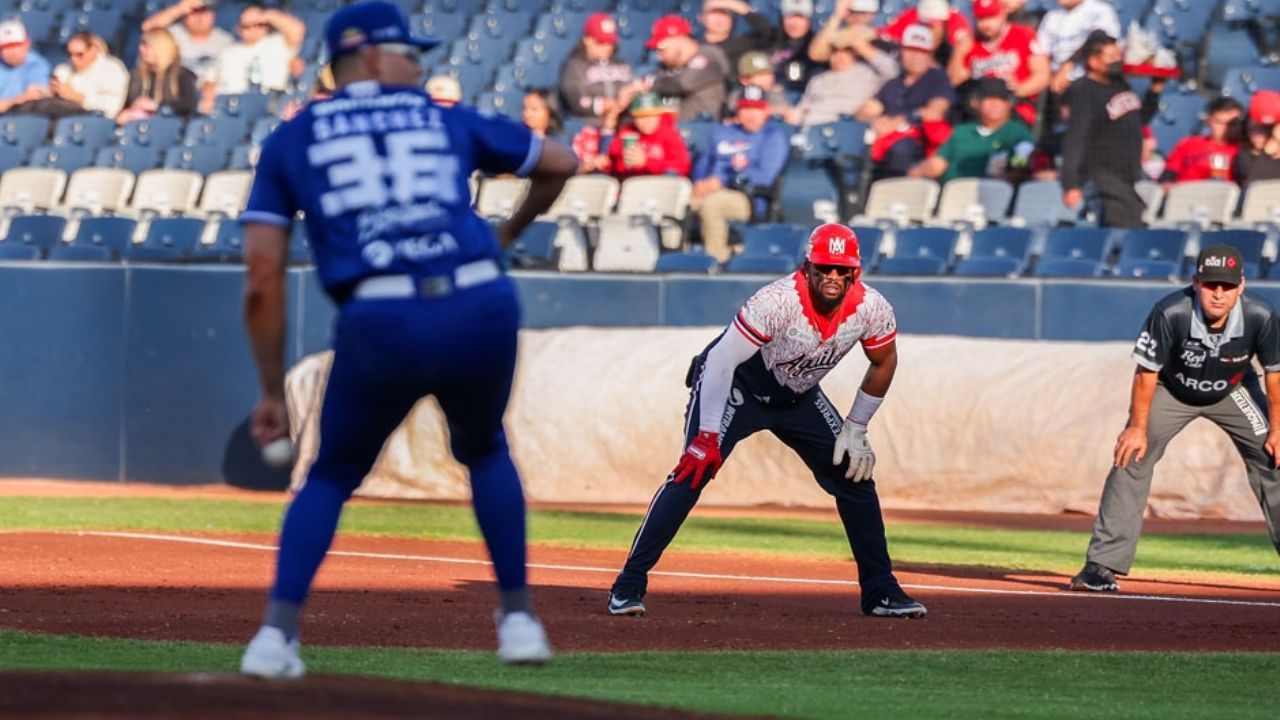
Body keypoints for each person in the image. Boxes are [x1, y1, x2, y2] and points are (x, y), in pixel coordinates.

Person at [237, 0, 578, 678]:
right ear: (367, 56)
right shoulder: (443, 116)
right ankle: (518, 621)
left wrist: (272, 392)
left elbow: (261, 278)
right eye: (408, 53)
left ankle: (274, 638)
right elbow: (561, 161)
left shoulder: (291, 138)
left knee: (331, 474)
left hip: (381, 316)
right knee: (485, 450)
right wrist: (507, 233)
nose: (420, 66)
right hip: (478, 303)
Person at [608, 223, 927, 620]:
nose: (832, 276)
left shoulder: (873, 308)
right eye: (824, 267)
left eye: (842, 269)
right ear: (807, 267)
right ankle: (628, 584)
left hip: (798, 396)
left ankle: (881, 591)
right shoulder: (776, 301)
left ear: (855, 272)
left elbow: (885, 361)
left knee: (854, 477)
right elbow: (721, 360)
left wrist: (857, 425)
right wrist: (706, 434)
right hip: (737, 386)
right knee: (694, 469)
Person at [1069, 244, 1280, 593]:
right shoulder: (1170, 312)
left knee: (1274, 456)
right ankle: (1101, 566)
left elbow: (1275, 374)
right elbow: (1146, 372)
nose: (1219, 293)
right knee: (1131, 455)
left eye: (1227, 286)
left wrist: (1277, 429)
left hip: (1234, 389)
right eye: (1211, 284)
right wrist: (1137, 427)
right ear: (1195, 282)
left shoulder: (1261, 315)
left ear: (1241, 286)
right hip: (1172, 389)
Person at [1060, 31, 1160, 228]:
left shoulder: (1120, 85)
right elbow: (1075, 138)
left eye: (1117, 55)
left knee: (1135, 222)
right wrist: (1070, 183)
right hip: (1101, 176)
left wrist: (1154, 92)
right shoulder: (1085, 90)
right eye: (1110, 56)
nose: (1117, 60)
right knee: (1125, 228)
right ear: (1094, 61)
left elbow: (1137, 119)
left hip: (1126, 175)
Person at [690, 86, 788, 263]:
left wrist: (723, 182)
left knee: (712, 205)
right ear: (738, 111)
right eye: (746, 108)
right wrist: (700, 183)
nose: (751, 114)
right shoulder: (723, 132)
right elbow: (702, 166)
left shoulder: (772, 137)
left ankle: (715, 262)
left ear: (766, 111)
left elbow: (765, 177)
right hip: (711, 190)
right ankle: (673, 259)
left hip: (749, 197)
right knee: (678, 200)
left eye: (756, 108)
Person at [858, 24, 955, 178]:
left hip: (920, 141)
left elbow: (936, 112)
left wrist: (899, 121)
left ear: (930, 55)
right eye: (910, 50)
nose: (915, 56)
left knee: (902, 149)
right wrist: (875, 122)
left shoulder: (937, 78)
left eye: (921, 51)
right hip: (887, 139)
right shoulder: (894, 83)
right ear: (901, 52)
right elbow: (866, 111)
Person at [908, 77, 1034, 183]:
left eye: (1001, 100)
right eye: (989, 99)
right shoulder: (962, 131)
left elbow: (1021, 167)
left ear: (1009, 104)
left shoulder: (1018, 133)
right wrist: (918, 171)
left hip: (991, 193)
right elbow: (938, 163)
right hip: (951, 191)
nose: (995, 104)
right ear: (975, 103)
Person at [948, 0, 1050, 127]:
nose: (987, 24)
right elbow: (953, 81)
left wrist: (1020, 89)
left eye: (992, 17)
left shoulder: (1023, 35)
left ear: (1003, 14)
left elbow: (1042, 76)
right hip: (977, 114)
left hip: (1015, 108)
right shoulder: (972, 44)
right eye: (982, 19)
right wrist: (959, 52)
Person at [203, 4, 305, 111]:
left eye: (259, 25)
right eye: (247, 26)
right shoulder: (227, 52)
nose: (253, 29)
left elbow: (296, 29)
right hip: (232, 105)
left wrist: (268, 15)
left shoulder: (279, 43)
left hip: (270, 104)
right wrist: (208, 96)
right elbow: (210, 80)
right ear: (238, 28)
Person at [793, 25, 896, 128]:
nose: (840, 56)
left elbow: (893, 71)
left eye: (847, 51)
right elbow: (802, 108)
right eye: (834, 51)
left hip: (851, 126)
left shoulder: (870, 74)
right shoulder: (818, 80)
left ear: (856, 53)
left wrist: (862, 46)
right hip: (815, 125)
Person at [640, 14, 731, 122]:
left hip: (704, 126)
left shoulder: (710, 54)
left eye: (662, 49)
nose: (659, 56)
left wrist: (651, 84)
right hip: (674, 126)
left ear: (679, 39)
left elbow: (684, 83)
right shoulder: (666, 66)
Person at [559, 12, 633, 125]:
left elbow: (634, 93)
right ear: (587, 40)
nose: (607, 47)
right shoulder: (575, 66)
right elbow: (576, 101)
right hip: (588, 125)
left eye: (610, 42)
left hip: (622, 124)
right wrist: (609, 105)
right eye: (601, 42)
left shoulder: (622, 64)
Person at [142, 0, 234, 89]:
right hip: (177, 91)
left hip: (213, 93)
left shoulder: (226, 42)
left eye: (204, 11)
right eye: (194, 12)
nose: (199, 17)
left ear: (213, 14)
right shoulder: (174, 35)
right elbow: (148, 29)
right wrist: (178, 9)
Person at [599, 91, 690, 181]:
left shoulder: (668, 132)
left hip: (660, 186)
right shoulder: (628, 133)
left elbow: (681, 167)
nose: (646, 121)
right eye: (640, 117)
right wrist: (605, 163)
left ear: (659, 115)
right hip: (633, 184)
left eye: (650, 116)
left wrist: (646, 162)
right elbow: (614, 162)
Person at [117, 28, 199, 123]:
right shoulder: (137, 76)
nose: (141, 49)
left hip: (171, 125)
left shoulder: (182, 75)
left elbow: (189, 103)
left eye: (146, 46)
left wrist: (156, 105)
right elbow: (127, 104)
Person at [1160, 97, 1243, 189]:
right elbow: (1167, 177)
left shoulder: (1242, 151)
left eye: (1231, 124)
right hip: (1184, 194)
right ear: (1209, 120)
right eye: (1219, 122)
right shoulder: (1188, 144)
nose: (1225, 128)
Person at [1039, 0, 1121, 94]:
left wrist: (1067, 65)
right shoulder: (1052, 15)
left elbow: (1100, 39)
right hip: (1057, 80)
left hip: (1089, 79)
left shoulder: (1100, 9)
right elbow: (1042, 50)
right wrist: (1050, 76)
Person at [43, 32, 130, 119]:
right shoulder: (63, 70)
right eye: (70, 55)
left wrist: (78, 97)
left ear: (93, 50)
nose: (73, 60)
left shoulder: (112, 70)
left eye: (80, 55)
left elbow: (113, 107)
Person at [697, 0, 778, 77]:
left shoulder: (744, 43)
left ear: (733, 19)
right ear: (701, 17)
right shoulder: (695, 47)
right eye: (714, 13)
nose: (719, 19)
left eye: (725, 13)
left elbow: (770, 34)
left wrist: (743, 10)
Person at [878, 0, 972, 65]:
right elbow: (884, 36)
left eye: (932, 26)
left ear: (943, 25)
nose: (928, 30)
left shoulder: (948, 47)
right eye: (925, 25)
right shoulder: (910, 16)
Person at [767, 0, 818, 94]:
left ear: (809, 21)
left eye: (800, 18)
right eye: (789, 17)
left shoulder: (813, 47)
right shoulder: (773, 40)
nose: (794, 23)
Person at [807, 0, 880, 65]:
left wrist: (861, 46)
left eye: (862, 13)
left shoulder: (878, 38)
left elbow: (885, 66)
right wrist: (837, 17)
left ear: (872, 14)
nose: (857, 17)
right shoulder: (837, 36)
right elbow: (816, 55)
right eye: (852, 12)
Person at [0, 20, 50, 114]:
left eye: (16, 45)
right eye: (5, 47)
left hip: (23, 117)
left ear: (27, 43)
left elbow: (34, 96)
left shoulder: (37, 65)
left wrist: (6, 104)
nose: (11, 52)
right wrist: (20, 99)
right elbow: (25, 98)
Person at [724, 51, 791, 119]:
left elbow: (785, 113)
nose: (768, 78)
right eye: (761, 75)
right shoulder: (738, 95)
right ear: (744, 80)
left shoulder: (774, 93)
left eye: (770, 74)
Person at [1234, 90, 1280, 187]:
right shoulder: (1244, 157)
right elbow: (1253, 180)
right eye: (1252, 128)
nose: (1257, 134)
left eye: (1263, 128)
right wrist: (1266, 152)